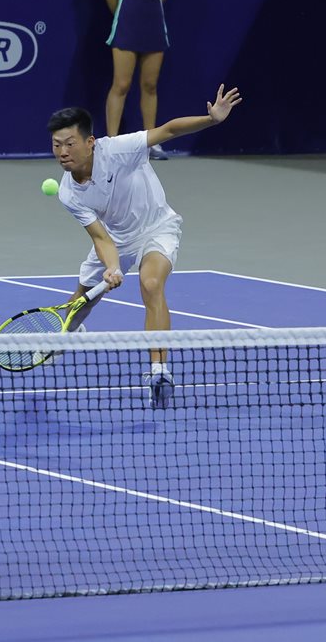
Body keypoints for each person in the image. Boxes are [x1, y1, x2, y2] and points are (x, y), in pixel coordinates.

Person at [46, 84, 243, 408]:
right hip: (117, 237)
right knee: (82, 299)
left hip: (157, 227)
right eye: (56, 145)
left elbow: (168, 130)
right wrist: (112, 266)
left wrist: (211, 120)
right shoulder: (69, 193)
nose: (62, 152)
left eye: (70, 143)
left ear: (90, 142)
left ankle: (159, 371)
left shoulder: (118, 150)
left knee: (151, 284)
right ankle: (67, 334)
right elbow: (100, 237)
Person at [104, 0, 175, 160]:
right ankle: (112, 144)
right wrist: (124, 16)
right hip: (126, 27)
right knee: (121, 85)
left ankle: (151, 143)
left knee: (150, 85)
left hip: (154, 28)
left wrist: (147, 15)